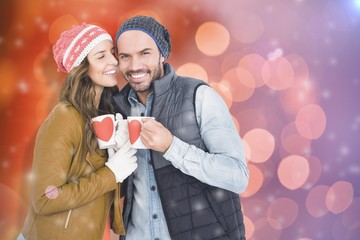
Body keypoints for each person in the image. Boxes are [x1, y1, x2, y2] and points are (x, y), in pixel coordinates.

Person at [113, 16, 249, 240]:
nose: (134, 66)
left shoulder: (199, 96)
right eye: (125, 56)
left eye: (144, 53)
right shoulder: (116, 108)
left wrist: (171, 147)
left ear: (162, 54)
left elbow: (238, 176)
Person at [17, 23, 137, 240]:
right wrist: (111, 172)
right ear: (80, 67)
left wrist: (118, 157)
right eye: (101, 56)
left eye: (112, 53)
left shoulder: (104, 116)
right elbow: (45, 198)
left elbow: (105, 190)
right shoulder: (65, 116)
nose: (114, 61)